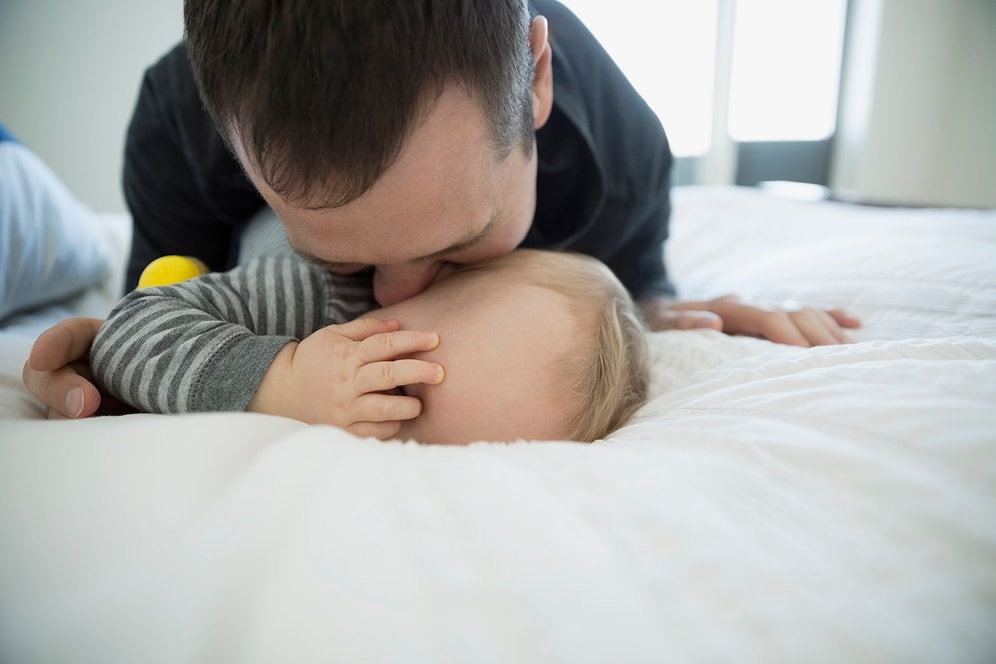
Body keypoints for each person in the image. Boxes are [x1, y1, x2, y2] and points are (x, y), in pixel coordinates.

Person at [23, 0, 859, 419]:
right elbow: (167, 304)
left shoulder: (624, 153)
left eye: (461, 246)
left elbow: (634, 290)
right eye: (341, 260)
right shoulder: (179, 128)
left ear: (536, 80)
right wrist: (134, 358)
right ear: (233, 149)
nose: (392, 299)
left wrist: (651, 307)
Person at [90, 248, 650, 445]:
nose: (376, 417)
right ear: (429, 283)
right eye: (397, 382)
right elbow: (124, 332)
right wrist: (282, 380)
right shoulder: (315, 297)